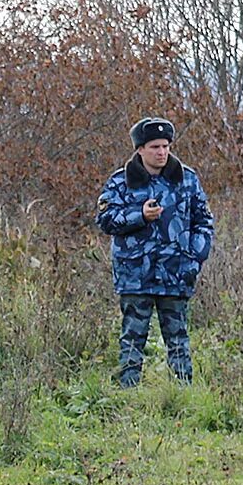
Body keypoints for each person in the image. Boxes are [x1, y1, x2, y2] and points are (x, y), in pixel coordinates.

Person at [96, 117, 214, 387]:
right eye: (155, 147)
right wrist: (140, 215)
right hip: (135, 275)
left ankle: (183, 394)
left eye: (165, 146)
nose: (161, 152)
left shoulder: (187, 179)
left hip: (176, 274)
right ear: (140, 149)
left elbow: (204, 223)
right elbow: (104, 220)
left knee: (178, 339)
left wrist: (194, 260)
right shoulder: (121, 182)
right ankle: (128, 394)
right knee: (132, 338)